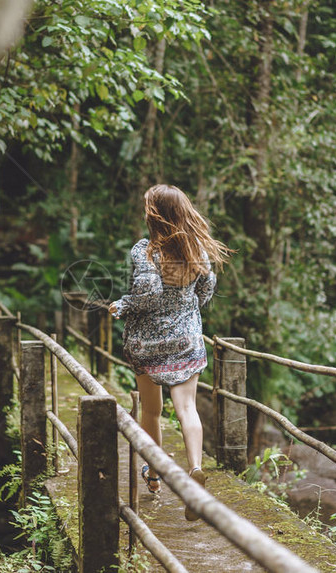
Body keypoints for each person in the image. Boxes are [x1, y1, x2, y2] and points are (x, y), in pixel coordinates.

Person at [109, 184, 230, 521]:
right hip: (186, 340)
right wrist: (186, 307)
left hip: (147, 344)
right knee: (187, 408)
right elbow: (207, 288)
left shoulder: (147, 251)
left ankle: (154, 469)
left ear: (155, 214)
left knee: (151, 410)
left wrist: (123, 305)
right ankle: (194, 468)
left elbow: (147, 295)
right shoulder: (197, 251)